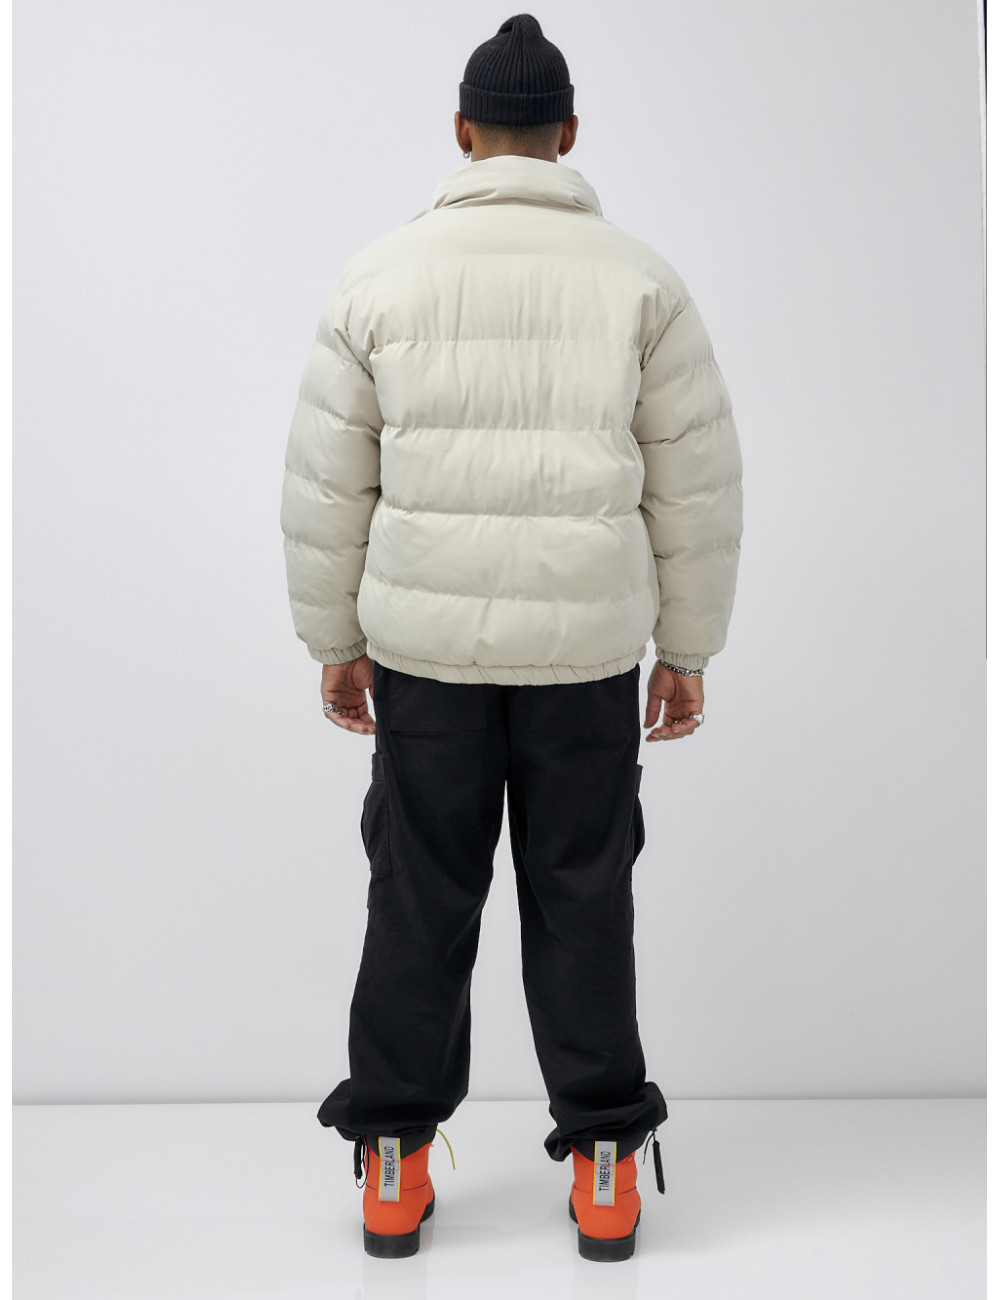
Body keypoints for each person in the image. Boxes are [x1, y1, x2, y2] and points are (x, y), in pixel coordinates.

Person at [280, 12, 742, 1264]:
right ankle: (604, 1166)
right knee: (583, 895)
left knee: (417, 894)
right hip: (585, 658)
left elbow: (326, 481)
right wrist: (687, 650)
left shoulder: (379, 276)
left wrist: (332, 634)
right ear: (569, 136)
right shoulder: (642, 281)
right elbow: (695, 483)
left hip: (422, 655)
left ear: (462, 133)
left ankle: (391, 1159)